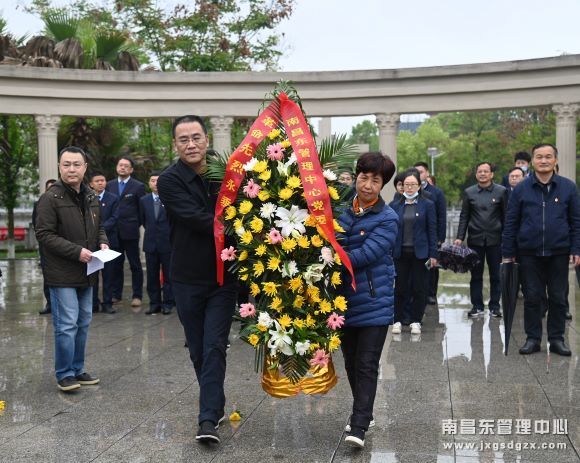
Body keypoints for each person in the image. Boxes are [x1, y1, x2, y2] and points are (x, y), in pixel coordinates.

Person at [157, 115, 237, 444]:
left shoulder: (227, 172)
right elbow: (194, 217)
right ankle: (215, 404)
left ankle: (206, 420)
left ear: (206, 139)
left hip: (223, 277)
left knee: (215, 344)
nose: (191, 144)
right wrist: (241, 227)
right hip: (187, 277)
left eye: (196, 137)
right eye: (183, 139)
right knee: (198, 349)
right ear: (175, 145)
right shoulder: (169, 180)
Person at [35, 146, 109, 392]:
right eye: (66, 164)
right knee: (67, 324)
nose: (71, 169)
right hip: (61, 272)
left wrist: (103, 241)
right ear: (59, 167)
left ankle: (77, 369)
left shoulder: (91, 196)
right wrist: (77, 252)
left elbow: (99, 226)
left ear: (85, 167)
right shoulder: (50, 198)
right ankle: (64, 373)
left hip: (88, 270)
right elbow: (44, 234)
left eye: (77, 164)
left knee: (83, 321)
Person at [337, 152, 398, 449]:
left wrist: (330, 257)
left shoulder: (388, 218)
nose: (367, 185)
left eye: (375, 180)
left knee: (367, 364)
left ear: (382, 184)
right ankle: (365, 411)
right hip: (342, 301)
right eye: (364, 177)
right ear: (356, 177)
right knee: (351, 362)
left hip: (374, 300)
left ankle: (359, 424)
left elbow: (366, 254)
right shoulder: (340, 209)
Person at [502, 143, 580, 356]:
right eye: (539, 157)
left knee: (558, 298)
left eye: (548, 156)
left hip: (559, 252)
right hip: (528, 252)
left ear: (555, 160)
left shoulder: (568, 187)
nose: (543, 160)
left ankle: (557, 339)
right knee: (532, 297)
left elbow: (576, 221)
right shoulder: (521, 189)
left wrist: (576, 248)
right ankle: (533, 338)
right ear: (533, 161)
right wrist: (508, 253)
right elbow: (511, 222)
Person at [455, 162, 507, 318]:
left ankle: (495, 306)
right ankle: (477, 306)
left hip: (495, 240)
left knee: (496, 276)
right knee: (475, 275)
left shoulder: (501, 191)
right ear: (476, 174)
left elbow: (506, 216)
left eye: (486, 171)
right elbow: (464, 216)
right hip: (475, 240)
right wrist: (459, 237)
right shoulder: (469, 192)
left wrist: (508, 238)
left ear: (491, 174)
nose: (482, 174)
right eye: (480, 171)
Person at [389, 170, 437, 335]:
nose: (409, 188)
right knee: (400, 288)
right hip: (400, 253)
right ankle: (397, 320)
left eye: (413, 184)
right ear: (402, 186)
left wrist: (434, 254)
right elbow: (390, 230)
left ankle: (416, 320)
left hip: (421, 254)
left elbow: (432, 231)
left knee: (419, 288)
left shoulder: (427, 205)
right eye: (406, 184)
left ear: (419, 186)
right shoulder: (394, 205)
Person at [106, 156, 146, 307]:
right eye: (120, 165)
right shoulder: (109, 185)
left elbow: (141, 210)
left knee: (135, 265)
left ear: (131, 170)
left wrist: (135, 224)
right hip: (113, 233)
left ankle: (137, 295)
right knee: (116, 265)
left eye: (125, 166)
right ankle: (116, 295)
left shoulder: (138, 186)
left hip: (130, 232)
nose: (122, 167)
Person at [139, 171, 174, 315]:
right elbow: (143, 220)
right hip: (150, 244)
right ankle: (154, 304)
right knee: (152, 276)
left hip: (167, 243)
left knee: (168, 275)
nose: (156, 183)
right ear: (149, 183)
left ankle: (168, 303)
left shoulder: (170, 198)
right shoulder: (144, 200)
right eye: (153, 181)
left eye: (158, 181)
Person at [413, 162, 446, 305]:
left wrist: (440, 238)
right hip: (417, 235)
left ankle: (431, 293)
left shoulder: (436, 193)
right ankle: (418, 293)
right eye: (415, 172)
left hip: (432, 236)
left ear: (427, 173)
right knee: (418, 266)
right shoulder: (410, 191)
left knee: (432, 266)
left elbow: (441, 216)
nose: (418, 174)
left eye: (421, 172)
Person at [89, 172, 119, 314]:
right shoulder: (87, 198)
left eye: (103, 180)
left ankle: (107, 303)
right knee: (93, 274)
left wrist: (99, 229)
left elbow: (115, 217)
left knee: (108, 274)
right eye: (97, 181)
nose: (101, 183)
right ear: (91, 184)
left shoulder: (113, 198)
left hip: (109, 241)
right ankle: (93, 303)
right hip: (91, 243)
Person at [33, 178, 57, 315]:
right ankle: (50, 304)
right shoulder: (39, 204)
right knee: (47, 275)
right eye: (49, 188)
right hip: (46, 247)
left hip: (63, 245)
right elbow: (36, 224)